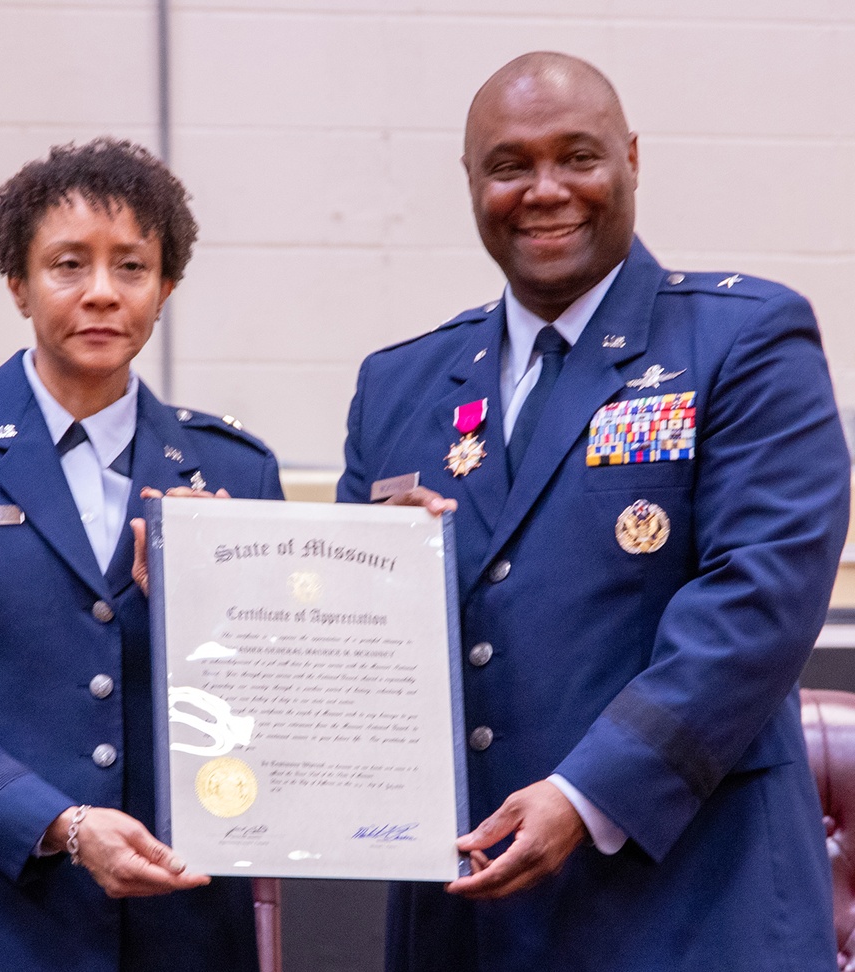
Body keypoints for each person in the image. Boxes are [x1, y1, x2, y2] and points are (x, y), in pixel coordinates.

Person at [337, 52, 850, 971]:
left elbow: (757, 602)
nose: (545, 191)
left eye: (578, 156)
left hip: (691, 905)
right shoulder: (399, 386)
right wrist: (195, 578)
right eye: (508, 166)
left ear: (632, 160)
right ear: (470, 183)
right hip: (469, 915)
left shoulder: (745, 340)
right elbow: (339, 640)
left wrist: (586, 794)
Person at [0, 138, 281, 972]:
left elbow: (273, 706)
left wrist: (205, 610)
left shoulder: (234, 470)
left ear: (165, 289)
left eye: (131, 267)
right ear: (18, 283)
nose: (100, 294)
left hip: (181, 925)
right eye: (66, 264)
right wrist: (58, 823)